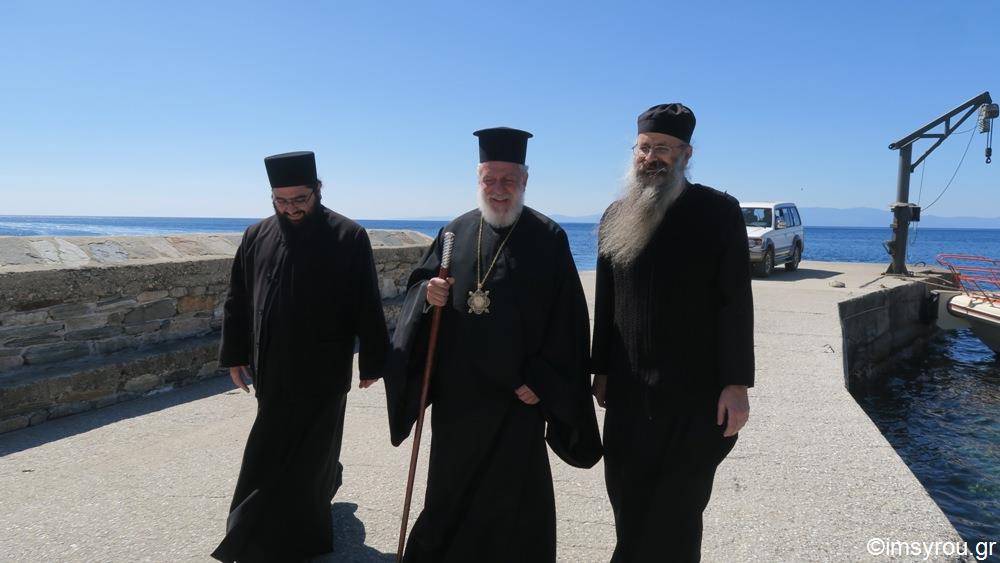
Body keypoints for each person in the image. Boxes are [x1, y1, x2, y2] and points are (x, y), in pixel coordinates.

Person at [382, 127, 602, 563]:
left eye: (508, 180)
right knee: (450, 488)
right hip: (459, 396)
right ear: (478, 179)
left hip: (517, 395)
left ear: (525, 180)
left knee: (513, 498)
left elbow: (570, 322)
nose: (499, 189)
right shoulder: (454, 232)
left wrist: (542, 379)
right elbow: (419, 289)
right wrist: (427, 296)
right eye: (490, 179)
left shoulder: (548, 237)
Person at [591, 104, 754, 562]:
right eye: (644, 147)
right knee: (627, 504)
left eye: (662, 148)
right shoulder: (615, 215)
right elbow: (606, 301)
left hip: (694, 396)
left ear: (686, 154)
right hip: (628, 395)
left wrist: (736, 384)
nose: (651, 157)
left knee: (677, 514)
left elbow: (736, 303)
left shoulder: (718, 211)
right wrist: (601, 370)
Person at [211, 151, 389, 562]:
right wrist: (235, 354)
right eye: (281, 201)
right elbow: (238, 298)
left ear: (317, 190)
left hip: (324, 368)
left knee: (312, 450)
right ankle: (260, 527)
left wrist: (373, 360)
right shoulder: (256, 235)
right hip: (271, 365)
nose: (291, 209)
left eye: (300, 200)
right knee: (271, 446)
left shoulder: (348, 235)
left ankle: (292, 536)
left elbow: (366, 301)